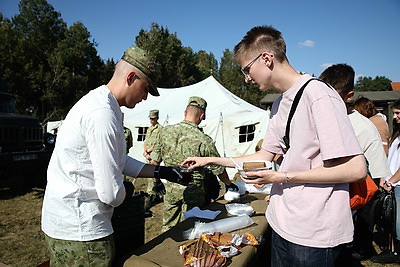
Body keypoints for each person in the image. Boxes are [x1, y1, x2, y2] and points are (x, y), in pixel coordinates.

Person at [182, 25, 367, 266]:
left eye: (247, 70)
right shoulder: (280, 104)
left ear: (267, 58)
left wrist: (283, 177)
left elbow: (355, 169)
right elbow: (264, 154)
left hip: (313, 234)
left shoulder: (319, 95)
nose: (247, 78)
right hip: (282, 224)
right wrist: (212, 160)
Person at [41, 46, 192, 267]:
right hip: (83, 231)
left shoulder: (103, 105)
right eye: (146, 88)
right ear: (131, 77)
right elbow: (111, 194)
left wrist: (161, 171)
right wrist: (126, 190)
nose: (145, 97)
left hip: (68, 222)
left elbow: (120, 160)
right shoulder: (102, 114)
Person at [319, 63, 391, 260]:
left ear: (349, 96)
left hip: (349, 201)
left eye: (332, 97)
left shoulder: (363, 127)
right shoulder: (319, 117)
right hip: (322, 203)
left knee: (340, 250)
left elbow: (375, 174)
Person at [151, 96, 239, 233]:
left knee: (168, 226)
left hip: (171, 187)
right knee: (192, 227)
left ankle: (164, 249)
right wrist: (228, 184)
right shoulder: (204, 139)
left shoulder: (164, 132)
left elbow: (154, 161)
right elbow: (218, 168)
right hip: (194, 189)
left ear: (185, 112)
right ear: (202, 116)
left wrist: (156, 182)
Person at [371, 99, 400, 264]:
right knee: (391, 220)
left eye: (398, 113)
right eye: (394, 113)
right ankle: (393, 249)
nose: (395, 117)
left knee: (397, 222)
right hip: (393, 184)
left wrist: (392, 181)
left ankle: (396, 252)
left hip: (396, 184)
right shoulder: (396, 134)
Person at [142, 109, 164, 215]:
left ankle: (152, 195)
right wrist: (145, 151)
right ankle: (153, 195)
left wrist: (149, 151)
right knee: (149, 174)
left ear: (157, 118)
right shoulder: (149, 129)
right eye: (150, 118)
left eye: (153, 118)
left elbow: (158, 143)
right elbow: (146, 141)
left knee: (154, 173)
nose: (151, 120)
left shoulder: (160, 129)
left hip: (155, 154)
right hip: (148, 154)